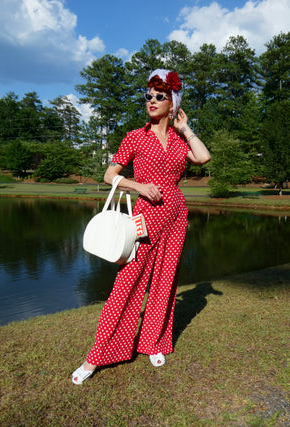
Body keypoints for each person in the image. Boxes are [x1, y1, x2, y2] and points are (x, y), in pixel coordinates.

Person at [72, 69, 211, 385]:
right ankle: (96, 357)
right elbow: (109, 176)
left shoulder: (178, 140)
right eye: (148, 95)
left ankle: (154, 343)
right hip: (145, 216)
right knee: (126, 284)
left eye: (160, 96)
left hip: (176, 216)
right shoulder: (135, 137)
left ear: (172, 103)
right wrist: (139, 186)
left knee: (166, 282)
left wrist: (186, 127)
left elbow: (203, 157)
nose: (151, 100)